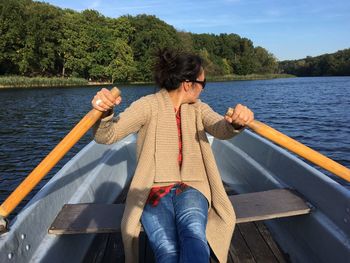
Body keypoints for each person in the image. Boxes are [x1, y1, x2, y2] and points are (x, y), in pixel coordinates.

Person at [92, 48, 254, 263]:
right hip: (152, 190)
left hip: (193, 187)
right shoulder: (146, 106)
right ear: (188, 84)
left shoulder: (199, 108)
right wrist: (104, 113)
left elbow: (220, 129)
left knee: (194, 235)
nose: (202, 91)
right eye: (203, 84)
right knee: (167, 249)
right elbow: (108, 135)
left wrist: (235, 123)